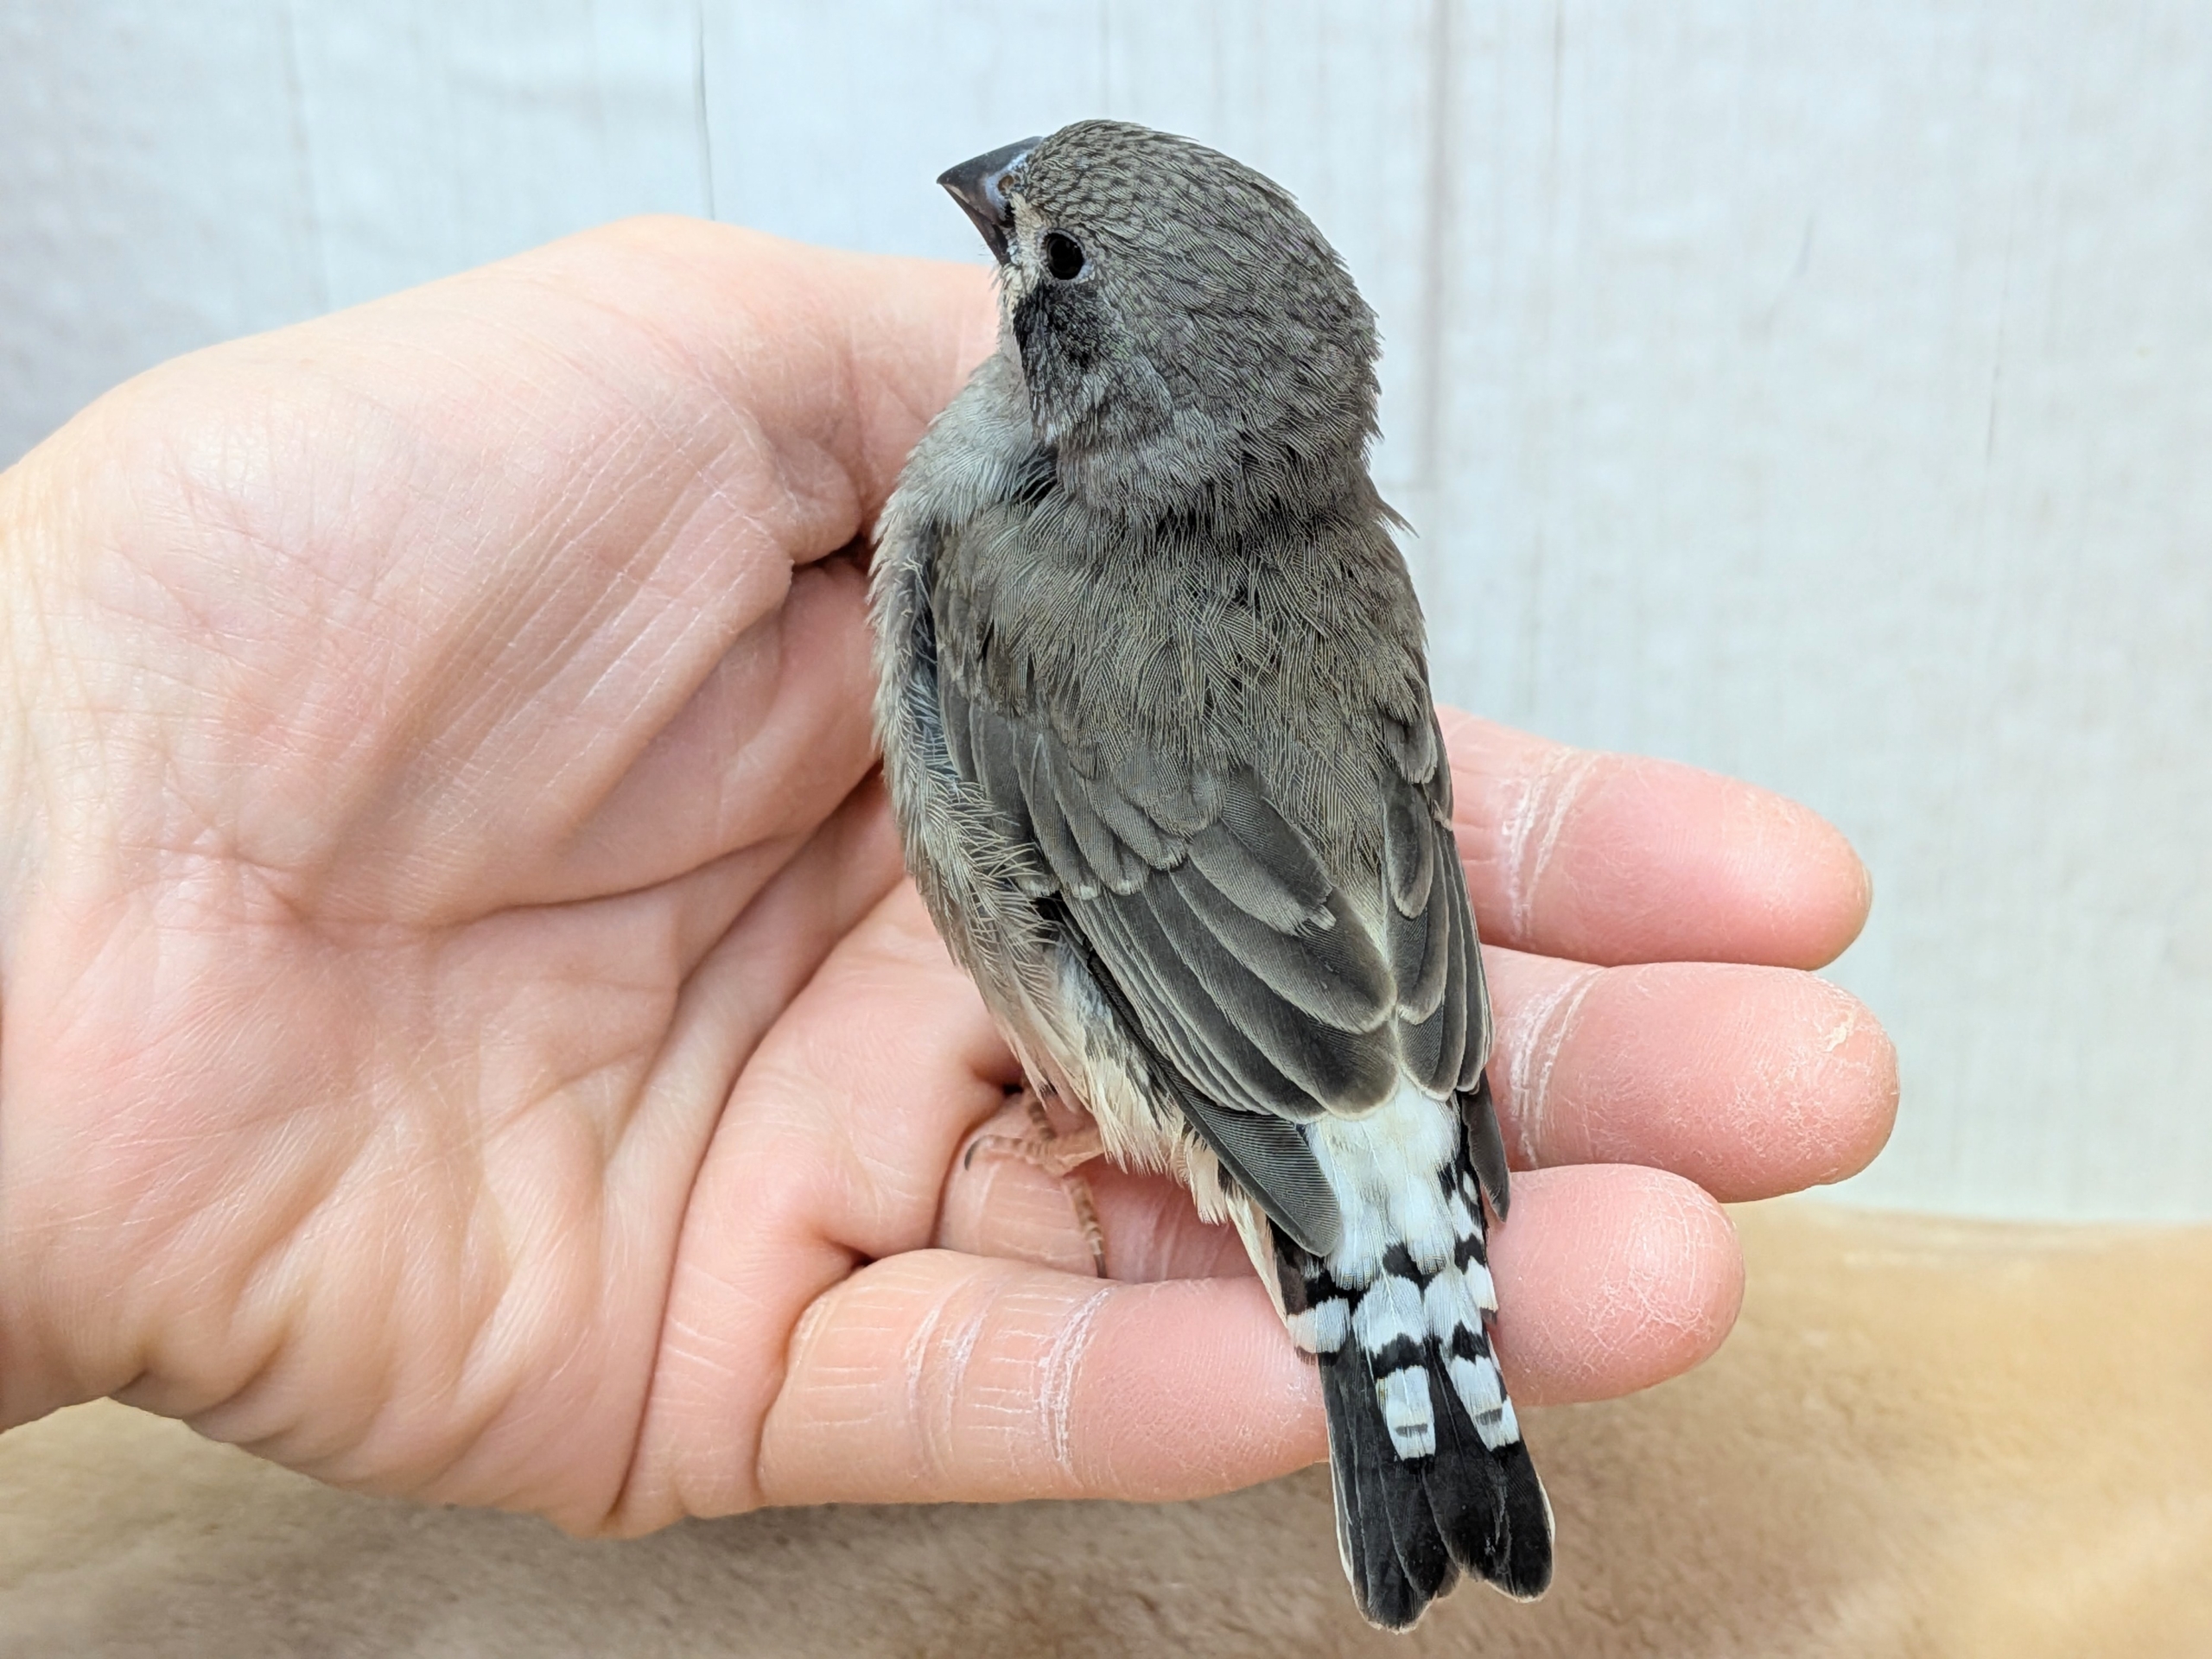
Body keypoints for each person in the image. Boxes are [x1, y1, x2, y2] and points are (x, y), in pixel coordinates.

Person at [0, 218, 1895, 1534]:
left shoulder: (1004, 565)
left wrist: (1170, 1121)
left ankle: (1381, 1328)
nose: (1000, 226)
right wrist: (1407, 1117)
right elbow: (1362, 856)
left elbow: (1107, 914)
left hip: (1208, 1038)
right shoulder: (1349, 571)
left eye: (1044, 250)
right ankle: (1412, 1343)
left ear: (1083, 361)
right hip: (1381, 1005)